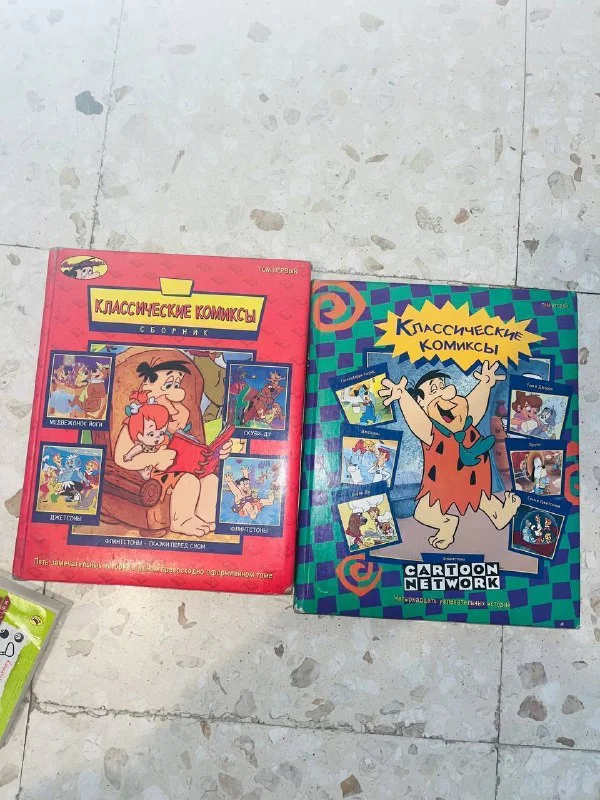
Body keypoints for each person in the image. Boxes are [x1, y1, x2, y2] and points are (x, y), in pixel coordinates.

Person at [379, 362, 521, 550]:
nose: (444, 392)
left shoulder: (462, 417)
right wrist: (403, 397)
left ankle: (498, 514)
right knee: (423, 512)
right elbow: (416, 419)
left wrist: (485, 385)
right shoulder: (430, 431)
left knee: (481, 498)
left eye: (442, 386)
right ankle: (447, 524)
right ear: (421, 403)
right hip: (441, 480)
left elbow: (475, 406)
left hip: (472, 474)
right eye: (433, 390)